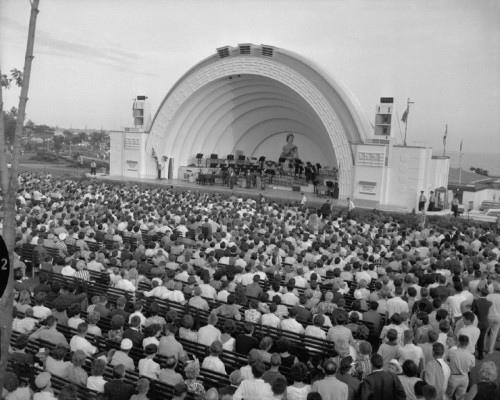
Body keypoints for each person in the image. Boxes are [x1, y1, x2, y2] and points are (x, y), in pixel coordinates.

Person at [445, 335, 475, 400]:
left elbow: (446, 360)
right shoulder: (471, 356)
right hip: (464, 378)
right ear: (467, 343)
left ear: (458, 342)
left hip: (453, 377)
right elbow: (471, 368)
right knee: (460, 397)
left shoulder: (452, 352)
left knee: (447, 396)